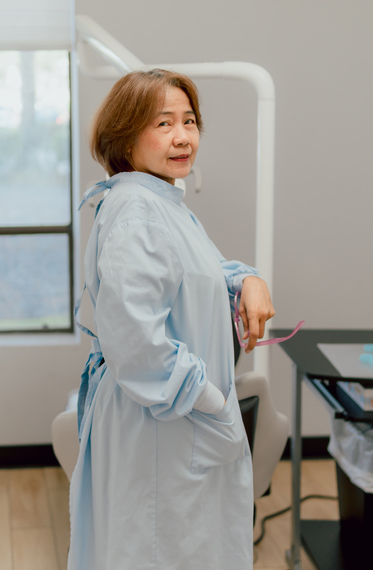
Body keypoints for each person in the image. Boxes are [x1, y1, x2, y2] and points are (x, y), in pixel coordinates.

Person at [68, 69, 275, 570]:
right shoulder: (139, 212)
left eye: (189, 121)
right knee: (162, 551)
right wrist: (211, 401)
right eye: (163, 123)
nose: (183, 136)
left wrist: (246, 279)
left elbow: (199, 270)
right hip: (163, 424)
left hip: (173, 422)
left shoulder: (160, 202)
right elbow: (139, 347)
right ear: (125, 137)